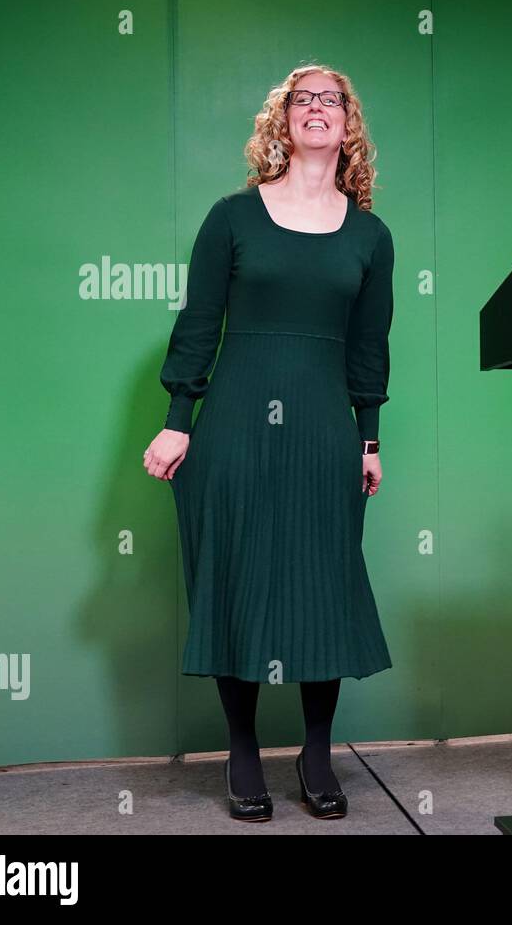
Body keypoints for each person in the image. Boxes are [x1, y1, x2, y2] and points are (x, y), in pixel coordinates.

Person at [142, 64, 395, 821]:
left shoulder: (372, 235)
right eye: (302, 99)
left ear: (348, 124)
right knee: (238, 576)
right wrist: (177, 419)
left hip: (324, 427)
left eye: (332, 100)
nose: (317, 109)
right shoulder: (230, 218)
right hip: (237, 423)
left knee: (324, 582)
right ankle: (243, 748)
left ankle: (316, 752)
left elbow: (369, 346)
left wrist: (369, 438)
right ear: (282, 121)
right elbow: (198, 323)